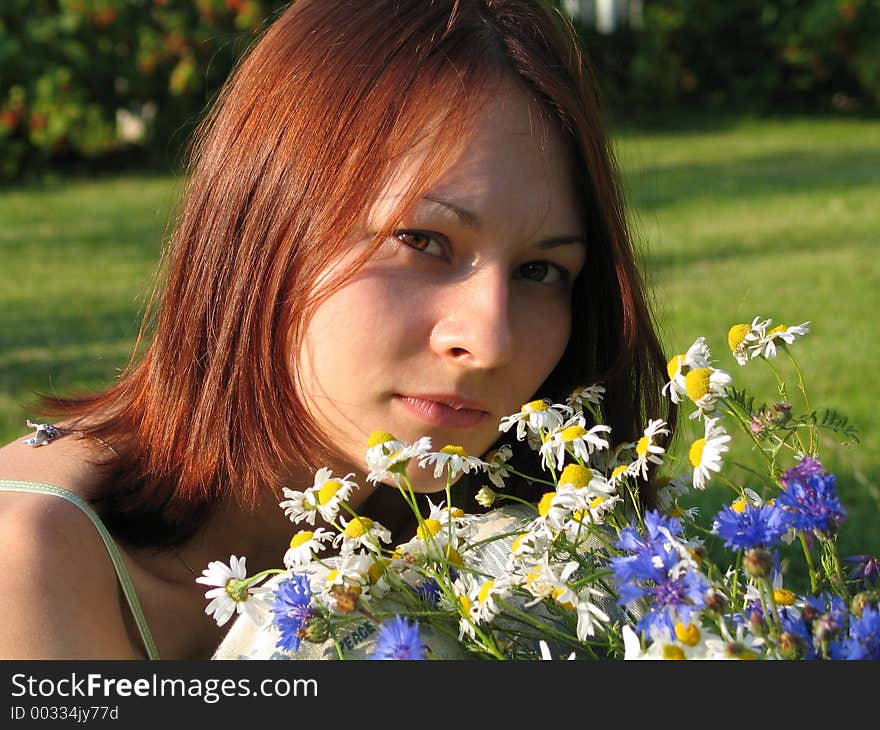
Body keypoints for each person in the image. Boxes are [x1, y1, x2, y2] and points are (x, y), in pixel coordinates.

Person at [0, 0, 673, 660]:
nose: (491, 341)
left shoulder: (519, 553)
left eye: (539, 270)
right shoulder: (27, 560)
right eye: (421, 239)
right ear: (263, 221)